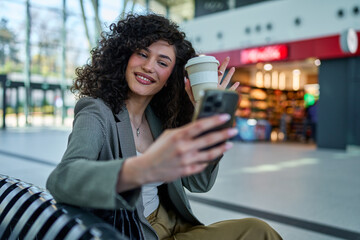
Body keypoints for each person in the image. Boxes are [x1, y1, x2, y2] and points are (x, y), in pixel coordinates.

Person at [46, 13, 282, 240]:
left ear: (172, 76)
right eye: (142, 54)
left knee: (258, 230)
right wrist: (141, 168)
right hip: (138, 231)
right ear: (124, 57)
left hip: (175, 224)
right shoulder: (97, 111)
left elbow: (199, 183)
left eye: (162, 62)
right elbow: (63, 179)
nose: (149, 67)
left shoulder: (160, 119)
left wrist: (207, 117)